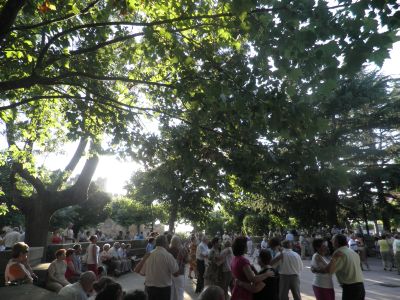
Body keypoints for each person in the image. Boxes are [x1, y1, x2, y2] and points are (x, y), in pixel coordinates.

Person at [322, 234, 365, 300]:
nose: (331, 241)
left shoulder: (338, 253)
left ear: (337, 242)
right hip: (360, 287)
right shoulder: (352, 252)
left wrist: (333, 259)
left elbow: (330, 271)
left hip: (351, 289)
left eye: (332, 240)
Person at [141, 235, 179, 300]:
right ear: (165, 243)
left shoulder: (148, 254)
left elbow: (143, 273)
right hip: (163, 290)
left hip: (149, 288)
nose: (168, 244)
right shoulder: (168, 256)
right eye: (167, 242)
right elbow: (176, 273)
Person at [168, 235, 188, 300]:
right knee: (180, 291)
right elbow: (187, 260)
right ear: (179, 241)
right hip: (180, 272)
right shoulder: (183, 249)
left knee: (171, 292)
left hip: (170, 272)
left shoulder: (168, 249)